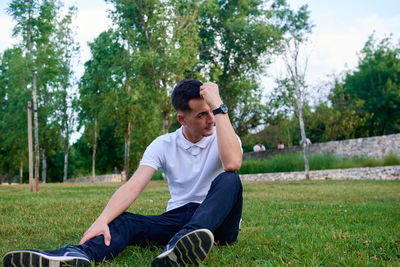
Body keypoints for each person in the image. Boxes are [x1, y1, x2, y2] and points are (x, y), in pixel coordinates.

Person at [3, 79, 243, 267]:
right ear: (182, 119)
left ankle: (183, 242)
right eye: (202, 114)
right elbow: (133, 186)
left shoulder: (223, 131)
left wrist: (218, 106)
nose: (211, 119)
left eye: (211, 111)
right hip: (179, 219)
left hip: (219, 224)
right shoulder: (163, 144)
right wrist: (102, 220)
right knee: (124, 222)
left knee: (229, 179)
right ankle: (78, 255)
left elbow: (232, 164)